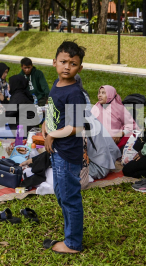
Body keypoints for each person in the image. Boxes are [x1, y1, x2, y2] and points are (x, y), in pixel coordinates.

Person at [42, 41, 89, 255]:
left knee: (70, 198)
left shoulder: (75, 93)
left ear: (80, 68)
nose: (67, 67)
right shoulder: (57, 84)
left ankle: (73, 243)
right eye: (63, 62)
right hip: (57, 152)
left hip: (68, 153)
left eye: (73, 63)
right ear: (54, 63)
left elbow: (77, 127)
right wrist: (46, 124)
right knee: (62, 195)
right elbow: (53, 109)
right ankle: (70, 232)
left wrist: (52, 134)